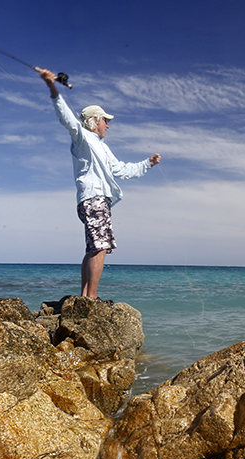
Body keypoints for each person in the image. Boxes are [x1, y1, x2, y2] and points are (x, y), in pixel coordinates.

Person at [39, 68, 161, 299]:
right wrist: (52, 87)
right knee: (101, 246)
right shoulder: (82, 137)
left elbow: (123, 170)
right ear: (94, 121)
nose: (108, 125)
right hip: (93, 198)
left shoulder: (103, 148)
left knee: (93, 247)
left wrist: (148, 163)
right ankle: (91, 297)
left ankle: (86, 295)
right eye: (105, 120)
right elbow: (66, 117)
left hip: (98, 199)